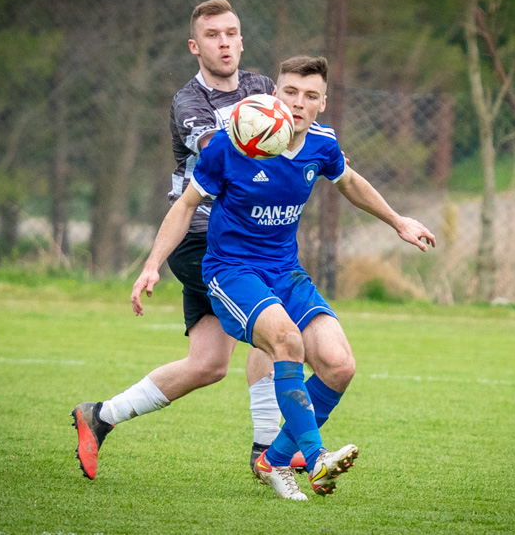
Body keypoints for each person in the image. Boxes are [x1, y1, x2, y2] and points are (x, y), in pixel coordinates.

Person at [130, 55, 436, 500]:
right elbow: (184, 205)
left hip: (285, 271)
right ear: (275, 94)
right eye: (290, 92)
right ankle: (315, 460)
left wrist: (397, 221)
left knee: (339, 365)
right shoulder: (232, 144)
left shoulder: (322, 144)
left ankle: (272, 460)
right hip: (231, 271)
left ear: (323, 104)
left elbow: (349, 182)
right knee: (287, 341)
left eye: (310, 96)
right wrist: (152, 264)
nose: (298, 103)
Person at [71, 0, 298, 481]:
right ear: (195, 46)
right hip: (202, 241)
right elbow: (221, 147)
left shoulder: (262, 88)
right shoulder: (188, 103)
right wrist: (152, 262)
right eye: (213, 35)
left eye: (231, 33)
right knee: (269, 317)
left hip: (249, 238)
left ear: (241, 40)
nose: (224, 43)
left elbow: (296, 135)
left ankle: (99, 416)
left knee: (209, 364)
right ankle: (266, 451)